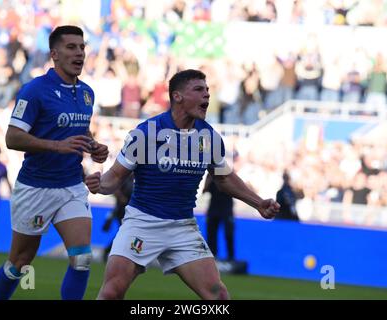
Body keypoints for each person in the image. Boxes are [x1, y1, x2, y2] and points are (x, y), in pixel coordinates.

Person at [85, 69, 280, 300]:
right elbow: (115, 177)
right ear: (177, 96)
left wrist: (258, 203)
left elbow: (224, 178)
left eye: (207, 91)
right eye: (199, 90)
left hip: (182, 227)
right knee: (111, 292)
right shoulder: (147, 133)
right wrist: (99, 184)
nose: (206, 96)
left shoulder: (209, 137)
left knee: (218, 296)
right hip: (142, 222)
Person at [0, 25, 109, 300]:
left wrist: (93, 147)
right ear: (54, 54)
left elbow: (80, 132)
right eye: (71, 47)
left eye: (82, 47)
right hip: (36, 187)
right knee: (20, 263)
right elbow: (13, 137)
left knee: (82, 259)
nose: (79, 53)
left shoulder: (87, 93)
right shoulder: (34, 90)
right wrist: (56, 145)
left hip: (71, 186)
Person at [102, 173, 133, 262]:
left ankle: (109, 251)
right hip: (121, 211)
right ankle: (108, 251)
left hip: (127, 212)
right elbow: (115, 190)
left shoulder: (131, 181)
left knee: (124, 234)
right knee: (124, 233)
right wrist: (122, 198)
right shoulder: (124, 179)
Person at [203, 173, 235, 261]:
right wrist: (209, 178)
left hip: (226, 207)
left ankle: (231, 257)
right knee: (211, 233)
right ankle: (212, 256)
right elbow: (205, 190)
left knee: (228, 233)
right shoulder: (210, 176)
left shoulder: (227, 174)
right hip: (214, 207)